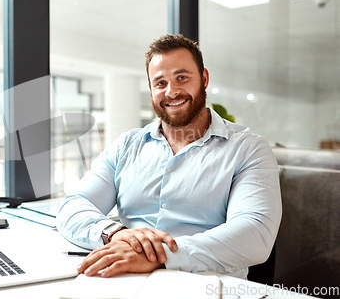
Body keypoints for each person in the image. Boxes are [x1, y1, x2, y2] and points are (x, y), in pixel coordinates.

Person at [56, 34, 282, 279]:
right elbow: (73, 205)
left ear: (204, 79)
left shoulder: (248, 149)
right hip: (124, 279)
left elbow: (255, 234)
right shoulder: (126, 146)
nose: (171, 91)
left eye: (182, 78)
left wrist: (159, 256)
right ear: (151, 89)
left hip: (207, 286)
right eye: (160, 83)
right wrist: (114, 233)